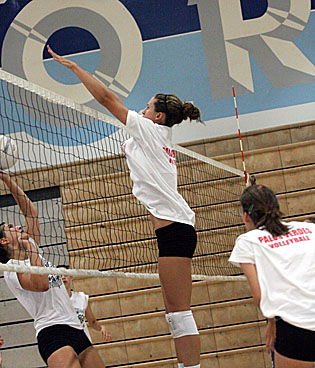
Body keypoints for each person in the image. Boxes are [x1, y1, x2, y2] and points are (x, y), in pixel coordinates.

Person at [47, 45, 201, 368]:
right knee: (174, 313)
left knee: (180, 312)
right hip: (176, 230)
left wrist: (76, 69)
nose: (141, 111)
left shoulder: (149, 129)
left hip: (174, 231)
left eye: (146, 108)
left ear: (158, 115)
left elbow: (106, 100)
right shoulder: (158, 135)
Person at [0, 171, 105, 368]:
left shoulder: (31, 250)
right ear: (4, 241)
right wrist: (31, 248)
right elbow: (41, 285)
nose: (17, 227)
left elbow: (31, 213)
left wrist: (7, 180)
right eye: (11, 227)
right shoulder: (12, 270)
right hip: (52, 331)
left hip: (75, 327)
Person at [229, 184, 315, 368]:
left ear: (246, 217)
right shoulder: (309, 229)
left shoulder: (247, 241)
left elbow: (261, 296)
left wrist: (271, 321)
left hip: (296, 329)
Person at [61, 270, 112, 343]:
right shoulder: (54, 301)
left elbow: (92, 322)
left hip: (83, 342)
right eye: (60, 276)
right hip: (66, 343)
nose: (63, 277)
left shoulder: (81, 297)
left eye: (65, 275)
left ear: (71, 277)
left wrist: (101, 327)